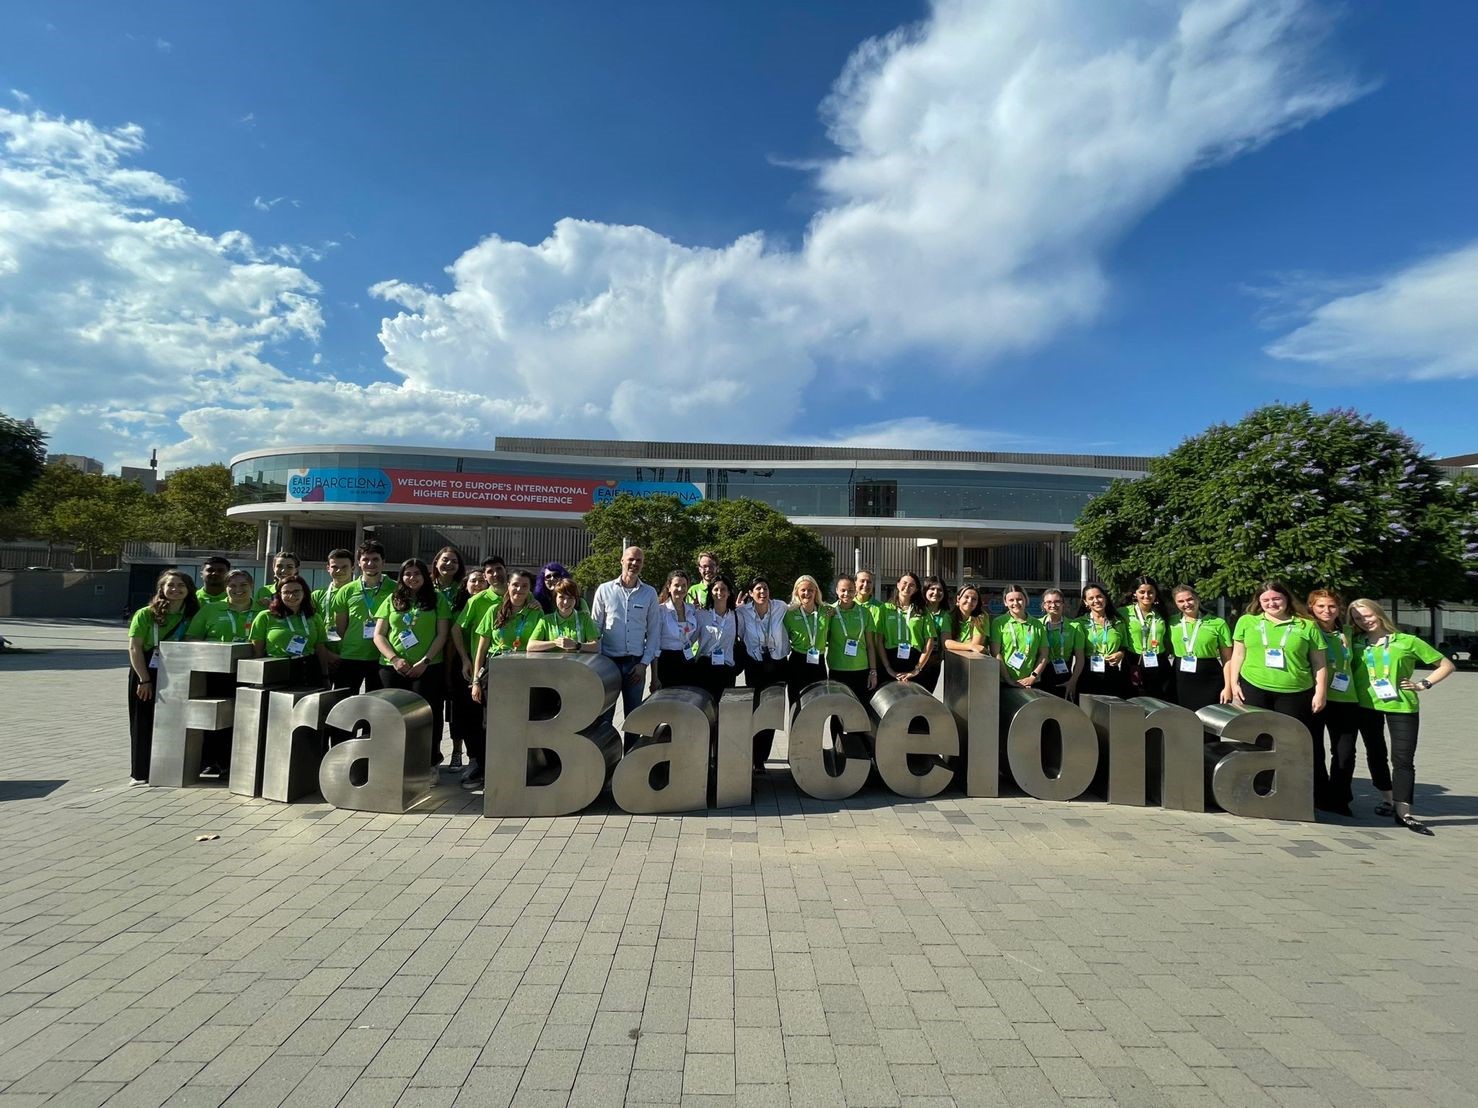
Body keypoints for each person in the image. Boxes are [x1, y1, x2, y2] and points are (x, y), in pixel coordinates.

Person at [1349, 598, 1454, 835]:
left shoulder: (1407, 641)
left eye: (1367, 615)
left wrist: (1423, 684)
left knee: (1403, 759)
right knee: (1376, 754)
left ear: (1378, 613)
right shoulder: (1357, 642)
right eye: (1357, 618)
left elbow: (1446, 664)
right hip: (1366, 706)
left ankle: (1404, 811)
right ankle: (1388, 799)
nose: (1364, 621)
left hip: (1402, 706)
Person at [373, 558, 452, 760]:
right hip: (393, 668)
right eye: (407, 574)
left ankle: (430, 761)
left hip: (428, 668)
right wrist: (394, 659)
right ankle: (395, 761)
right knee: (393, 716)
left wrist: (424, 661)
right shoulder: (392, 599)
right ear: (401, 577)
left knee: (428, 716)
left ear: (425, 576)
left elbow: (442, 635)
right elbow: (379, 635)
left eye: (417, 573)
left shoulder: (437, 599)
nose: (412, 578)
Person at [126, 570, 200, 784]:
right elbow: (134, 648)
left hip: (178, 669)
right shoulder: (145, 614)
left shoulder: (193, 614)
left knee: (174, 721)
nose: (175, 590)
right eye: (170, 585)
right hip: (147, 669)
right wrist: (144, 679)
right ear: (162, 589)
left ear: (189, 590)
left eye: (181, 586)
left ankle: (170, 768)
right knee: (144, 720)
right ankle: (140, 772)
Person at [1223, 580, 1327, 731]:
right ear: (1259, 601)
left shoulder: (1307, 625)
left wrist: (1320, 693)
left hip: (1295, 691)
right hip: (1254, 688)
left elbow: (1319, 663)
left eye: (1276, 598)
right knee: (1256, 736)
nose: (1271, 603)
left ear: (1287, 598)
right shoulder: (1246, 621)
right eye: (1265, 600)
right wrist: (1234, 684)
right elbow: (1238, 655)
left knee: (1289, 739)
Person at [589, 546, 661, 718]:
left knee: (633, 718)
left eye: (639, 560)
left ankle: (631, 747)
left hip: (635, 666)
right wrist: (598, 663)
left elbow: (653, 632)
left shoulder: (649, 593)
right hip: (608, 663)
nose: (634, 563)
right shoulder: (604, 590)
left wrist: (643, 664)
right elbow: (595, 628)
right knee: (604, 716)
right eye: (631, 559)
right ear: (622, 561)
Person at [1307, 588, 1360, 816]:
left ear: (1339, 609)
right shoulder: (1307, 630)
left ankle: (1340, 797)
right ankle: (1320, 795)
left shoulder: (1348, 632)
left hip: (1346, 699)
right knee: (1315, 749)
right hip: (1316, 698)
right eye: (1320, 606)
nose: (1326, 611)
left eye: (1331, 606)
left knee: (1345, 751)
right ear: (1312, 608)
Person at [737, 576, 789, 773]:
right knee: (754, 712)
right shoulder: (742, 611)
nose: (762, 592)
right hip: (755, 666)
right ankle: (749, 756)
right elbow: (738, 633)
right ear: (751, 593)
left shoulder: (780, 607)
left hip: (777, 665)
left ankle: (760, 760)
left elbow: (802, 605)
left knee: (771, 713)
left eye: (765, 588)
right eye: (758, 589)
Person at [330, 541, 395, 694]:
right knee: (343, 704)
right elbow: (340, 628)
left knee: (376, 707)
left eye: (375, 559)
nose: (370, 563)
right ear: (358, 563)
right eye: (365, 559)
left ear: (383, 562)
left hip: (381, 657)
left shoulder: (396, 588)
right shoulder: (347, 590)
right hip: (351, 656)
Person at [249, 575, 333, 690]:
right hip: (277, 670)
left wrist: (325, 677)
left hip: (309, 669)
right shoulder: (265, 617)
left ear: (305, 593)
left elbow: (320, 649)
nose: (291, 596)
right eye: (286, 592)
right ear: (279, 595)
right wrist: (254, 678)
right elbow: (257, 652)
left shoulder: (314, 617)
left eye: (296, 591)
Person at [447, 567, 489, 780]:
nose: (478, 584)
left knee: (480, 715)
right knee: (463, 713)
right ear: (466, 584)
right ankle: (466, 755)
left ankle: (480, 759)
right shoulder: (458, 608)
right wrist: (464, 660)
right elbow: (453, 635)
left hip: (483, 666)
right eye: (474, 581)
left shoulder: (491, 603)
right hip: (463, 665)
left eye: (482, 581)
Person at [431, 546, 468, 767]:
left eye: (454, 561)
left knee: (455, 707)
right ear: (436, 562)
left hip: (455, 655)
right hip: (430, 655)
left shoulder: (462, 589)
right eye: (445, 560)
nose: (449, 564)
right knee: (432, 707)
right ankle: (433, 752)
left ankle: (456, 752)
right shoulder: (426, 588)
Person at [1168, 585, 1232, 712]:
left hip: (1210, 677)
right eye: (1181, 601)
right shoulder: (1171, 622)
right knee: (1183, 716)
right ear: (1175, 603)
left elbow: (1228, 659)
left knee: (1209, 716)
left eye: (1190, 599)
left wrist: (1228, 687)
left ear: (1197, 598)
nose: (1186, 604)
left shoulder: (1218, 623)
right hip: (1180, 677)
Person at [1121, 575, 1174, 699]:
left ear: (1155, 594)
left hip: (1159, 662)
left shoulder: (1162, 613)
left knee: (1160, 702)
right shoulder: (1123, 613)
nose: (1146, 595)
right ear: (1135, 594)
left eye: (1150, 592)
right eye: (1142, 592)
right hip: (1134, 662)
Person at [825, 574, 876, 702]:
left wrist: (873, 671)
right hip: (837, 669)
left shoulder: (865, 612)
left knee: (860, 709)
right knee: (838, 711)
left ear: (855, 591)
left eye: (851, 590)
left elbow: (870, 645)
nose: (846, 594)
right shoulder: (829, 612)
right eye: (843, 590)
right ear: (836, 590)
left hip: (861, 669)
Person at [783, 575, 830, 708]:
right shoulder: (789, 613)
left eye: (811, 590)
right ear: (796, 592)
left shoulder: (827, 611)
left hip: (818, 662)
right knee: (796, 706)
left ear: (816, 592)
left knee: (818, 707)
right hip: (797, 663)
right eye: (803, 590)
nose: (807, 593)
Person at [1075, 582, 1128, 698]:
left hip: (1111, 671)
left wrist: (1120, 654)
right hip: (1087, 671)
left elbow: (1124, 646)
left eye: (1099, 596)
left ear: (1105, 598)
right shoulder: (1078, 623)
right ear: (1085, 602)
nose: (1096, 600)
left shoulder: (1118, 622)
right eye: (1091, 598)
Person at [878, 572, 932, 685]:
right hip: (890, 660)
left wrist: (916, 669)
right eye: (904, 583)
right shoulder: (885, 608)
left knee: (913, 699)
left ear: (916, 589)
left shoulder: (922, 611)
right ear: (898, 584)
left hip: (914, 661)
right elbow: (879, 641)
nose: (907, 587)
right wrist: (888, 668)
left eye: (912, 585)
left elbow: (929, 642)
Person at [653, 569, 703, 691]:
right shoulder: (660, 611)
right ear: (669, 587)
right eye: (676, 585)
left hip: (687, 659)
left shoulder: (692, 610)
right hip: (667, 662)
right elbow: (654, 645)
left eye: (684, 586)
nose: (680, 589)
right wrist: (654, 677)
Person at [991, 584, 1049, 690]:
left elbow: (1044, 654)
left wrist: (1033, 677)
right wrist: (1008, 679)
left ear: (1026, 600)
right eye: (1011, 600)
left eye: (1019, 599)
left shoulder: (1037, 624)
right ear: (1005, 602)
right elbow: (996, 653)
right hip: (1005, 682)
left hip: (1031, 683)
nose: (1015, 603)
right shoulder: (998, 623)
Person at [696, 576, 741, 702]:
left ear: (729, 592)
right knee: (705, 709)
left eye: (723, 589)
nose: (719, 593)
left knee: (724, 711)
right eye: (716, 589)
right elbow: (689, 639)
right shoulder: (701, 615)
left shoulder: (736, 616)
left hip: (726, 669)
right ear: (711, 592)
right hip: (705, 668)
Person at [529, 577, 600, 654]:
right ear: (555, 598)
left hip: (578, 664)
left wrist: (576, 645)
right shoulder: (546, 620)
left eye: (570, 598)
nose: (566, 602)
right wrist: (556, 643)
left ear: (575, 599)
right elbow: (531, 646)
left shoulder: (584, 618)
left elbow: (595, 647)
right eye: (561, 597)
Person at [186, 569, 259, 642]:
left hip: (253, 653)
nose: (238, 589)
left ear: (252, 586)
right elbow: (192, 637)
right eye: (232, 585)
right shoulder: (210, 609)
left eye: (243, 585)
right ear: (225, 587)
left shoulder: (262, 609)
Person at [1037, 588, 1084, 699]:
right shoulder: (1036, 625)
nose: (1053, 605)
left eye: (1057, 601)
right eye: (1049, 602)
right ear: (1044, 605)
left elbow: (1080, 658)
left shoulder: (1075, 627)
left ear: (1063, 604)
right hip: (1040, 674)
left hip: (1064, 675)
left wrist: (1073, 681)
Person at [914, 576, 951, 691]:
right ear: (925, 591)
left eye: (940, 590)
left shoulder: (946, 615)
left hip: (932, 663)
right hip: (913, 659)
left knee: (926, 695)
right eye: (932, 589)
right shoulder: (915, 611)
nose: (936, 592)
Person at [944, 585, 989, 657]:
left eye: (974, 599)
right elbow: (946, 643)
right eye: (966, 597)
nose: (970, 601)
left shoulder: (982, 617)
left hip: (973, 661)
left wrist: (955, 645)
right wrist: (970, 646)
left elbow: (977, 645)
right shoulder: (948, 616)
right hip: (952, 660)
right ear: (958, 599)